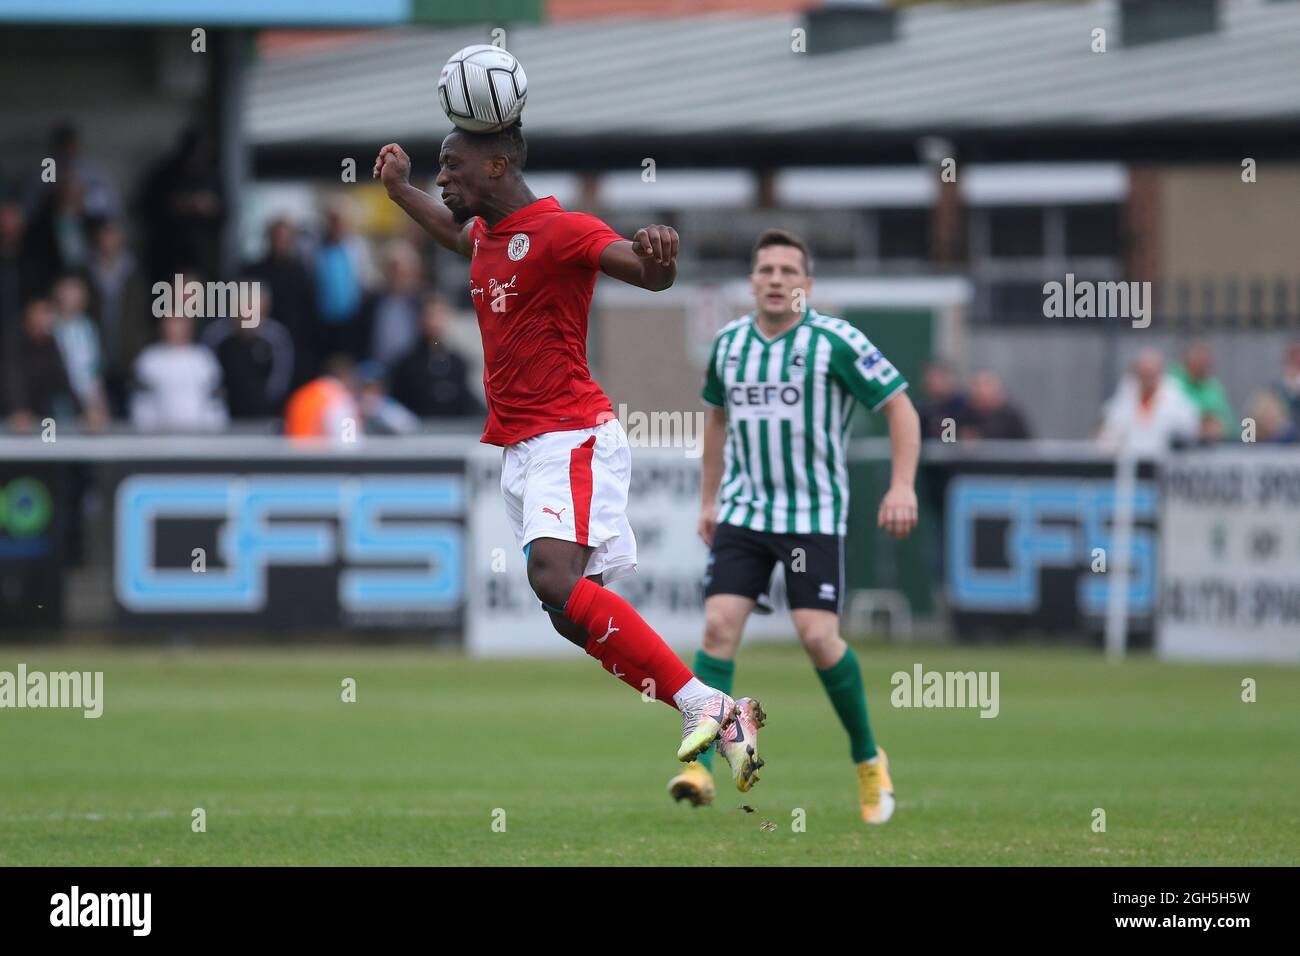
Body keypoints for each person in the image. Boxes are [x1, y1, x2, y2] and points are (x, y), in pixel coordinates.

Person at [374, 127, 764, 785]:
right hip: (523, 448)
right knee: (563, 614)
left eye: (451, 166)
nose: (442, 178)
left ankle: (711, 705)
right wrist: (399, 190)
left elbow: (646, 274)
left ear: (497, 165)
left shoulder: (563, 230)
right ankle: (707, 706)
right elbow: (450, 230)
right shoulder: (485, 237)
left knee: (553, 578)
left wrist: (662, 256)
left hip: (572, 432)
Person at [665, 229, 920, 822]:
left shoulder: (836, 340)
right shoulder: (729, 344)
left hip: (812, 516)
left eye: (788, 270)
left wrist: (902, 484)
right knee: (718, 625)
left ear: (807, 284)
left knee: (816, 636)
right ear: (751, 282)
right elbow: (717, 423)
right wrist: (709, 500)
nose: (776, 279)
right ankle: (698, 769)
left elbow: (900, 405)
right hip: (744, 513)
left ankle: (867, 759)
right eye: (765, 270)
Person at [201, 289, 295, 419]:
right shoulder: (216, 336)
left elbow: (281, 378)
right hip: (222, 414)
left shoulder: (276, 338)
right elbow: (206, 375)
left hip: (265, 413)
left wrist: (265, 401)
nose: (248, 316)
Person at [129, 312, 227, 433]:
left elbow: (215, 403)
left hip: (199, 438)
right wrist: (148, 435)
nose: (176, 327)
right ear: (162, 325)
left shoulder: (204, 359)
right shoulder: (149, 360)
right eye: (172, 322)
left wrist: (211, 434)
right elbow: (142, 403)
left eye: (181, 322)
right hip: (158, 439)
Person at [389, 293, 483, 418]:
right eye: (430, 316)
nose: (435, 322)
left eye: (440, 315)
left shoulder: (458, 363)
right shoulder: (406, 364)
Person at [1096, 349, 1198, 456]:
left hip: (1164, 464)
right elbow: (1110, 429)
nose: (1147, 378)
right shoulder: (1124, 395)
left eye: (1151, 374)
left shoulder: (1176, 396)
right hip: (1130, 463)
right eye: (1143, 374)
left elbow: (1188, 429)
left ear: (1160, 372)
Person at [2, 297, 80, 432]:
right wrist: (18, 410)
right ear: (29, 315)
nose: (45, 319)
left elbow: (63, 380)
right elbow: (11, 379)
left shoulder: (50, 344)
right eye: (41, 313)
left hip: (36, 416)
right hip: (8, 414)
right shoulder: (11, 341)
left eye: (48, 313)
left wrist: (83, 411)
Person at [49, 275, 108, 431]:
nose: (72, 298)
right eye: (68, 293)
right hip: (55, 397)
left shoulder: (87, 328)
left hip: (85, 398)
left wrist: (99, 404)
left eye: (77, 294)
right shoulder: (49, 326)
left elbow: (93, 371)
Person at [283, 353, 361, 442]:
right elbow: (349, 441)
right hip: (320, 454)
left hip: (293, 454)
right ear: (347, 375)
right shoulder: (339, 398)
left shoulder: (303, 394)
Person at [1170, 341, 1233, 441]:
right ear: (1187, 360)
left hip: (1212, 445)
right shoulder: (1171, 382)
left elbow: (1227, 421)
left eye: (1206, 362)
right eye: (1199, 361)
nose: (1203, 366)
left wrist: (1219, 427)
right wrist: (1200, 423)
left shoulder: (1213, 386)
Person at [959, 370, 1032, 440]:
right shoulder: (964, 412)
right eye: (977, 386)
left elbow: (1027, 442)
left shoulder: (1011, 414)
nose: (982, 391)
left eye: (986, 385)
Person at [916, 359, 968, 440]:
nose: (936, 383)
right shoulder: (923, 408)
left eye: (940, 378)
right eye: (932, 378)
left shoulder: (963, 406)